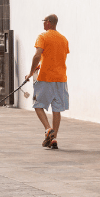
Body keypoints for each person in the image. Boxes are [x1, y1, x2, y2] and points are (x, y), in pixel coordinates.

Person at [25, 14, 69, 150]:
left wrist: (31, 72)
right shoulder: (64, 39)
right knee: (57, 108)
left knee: (38, 105)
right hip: (61, 78)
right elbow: (57, 57)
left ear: (49, 23)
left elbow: (37, 55)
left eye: (44, 21)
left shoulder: (42, 37)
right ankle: (54, 139)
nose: (43, 24)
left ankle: (48, 129)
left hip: (45, 77)